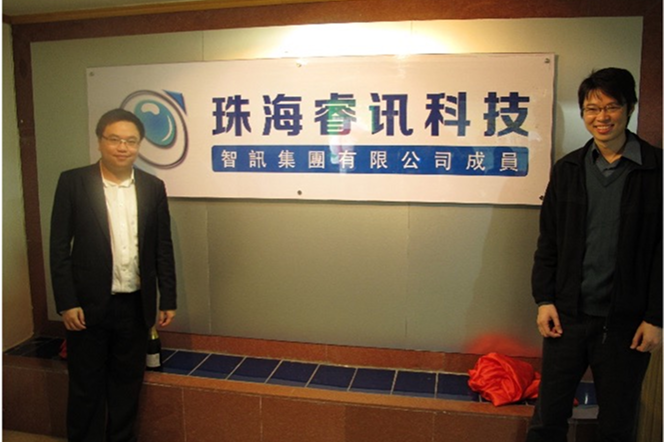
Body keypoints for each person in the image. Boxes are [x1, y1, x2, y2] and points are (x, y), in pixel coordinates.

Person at [526, 67, 662, 442]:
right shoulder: (568, 169)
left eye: (611, 107)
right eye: (592, 108)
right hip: (567, 318)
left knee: (617, 425)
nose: (601, 117)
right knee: (547, 419)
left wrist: (656, 316)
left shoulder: (656, 170)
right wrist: (544, 299)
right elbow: (549, 242)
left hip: (626, 326)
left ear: (630, 107)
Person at [50, 108, 177, 442]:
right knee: (85, 387)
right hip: (87, 307)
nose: (123, 147)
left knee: (127, 386)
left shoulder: (152, 186)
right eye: (115, 139)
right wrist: (66, 302)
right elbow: (59, 246)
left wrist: (168, 297)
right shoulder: (74, 182)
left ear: (139, 145)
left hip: (135, 306)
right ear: (100, 141)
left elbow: (162, 246)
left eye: (131, 141)